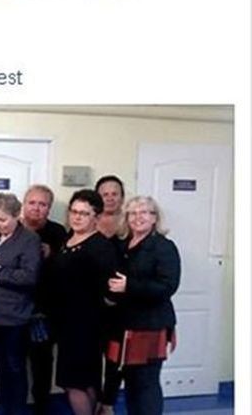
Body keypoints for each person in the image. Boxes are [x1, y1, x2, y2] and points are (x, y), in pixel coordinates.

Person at [106, 196, 180, 415]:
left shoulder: (164, 247)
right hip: (124, 323)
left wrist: (129, 286)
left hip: (150, 325)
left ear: (155, 218)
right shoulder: (121, 244)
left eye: (145, 212)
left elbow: (168, 286)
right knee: (130, 382)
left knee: (145, 383)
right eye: (133, 213)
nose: (138, 217)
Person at [0, 192, 40, 415]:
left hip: (15, 317)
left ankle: (17, 411)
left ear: (16, 215)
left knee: (15, 368)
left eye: (3, 219)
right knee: (0, 368)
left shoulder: (29, 240)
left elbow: (29, 277)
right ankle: (3, 410)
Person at [52, 189, 118, 415]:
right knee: (82, 381)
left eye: (84, 213)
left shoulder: (101, 246)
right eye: (74, 211)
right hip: (66, 323)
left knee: (75, 382)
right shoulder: (66, 240)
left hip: (86, 326)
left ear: (96, 217)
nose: (77, 217)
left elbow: (112, 289)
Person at [19, 185, 67, 415]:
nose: (36, 208)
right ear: (23, 205)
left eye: (43, 204)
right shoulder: (13, 228)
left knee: (42, 366)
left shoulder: (58, 233)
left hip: (45, 313)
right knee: (14, 365)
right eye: (32, 203)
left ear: (49, 208)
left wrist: (52, 255)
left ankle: (41, 409)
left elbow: (68, 270)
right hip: (15, 310)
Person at [94, 175, 126, 415]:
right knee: (92, 355)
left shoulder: (129, 225)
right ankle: (93, 399)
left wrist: (114, 296)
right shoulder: (87, 221)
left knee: (115, 357)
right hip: (91, 304)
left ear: (122, 197)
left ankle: (108, 403)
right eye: (105, 194)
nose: (110, 198)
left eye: (115, 193)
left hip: (120, 306)